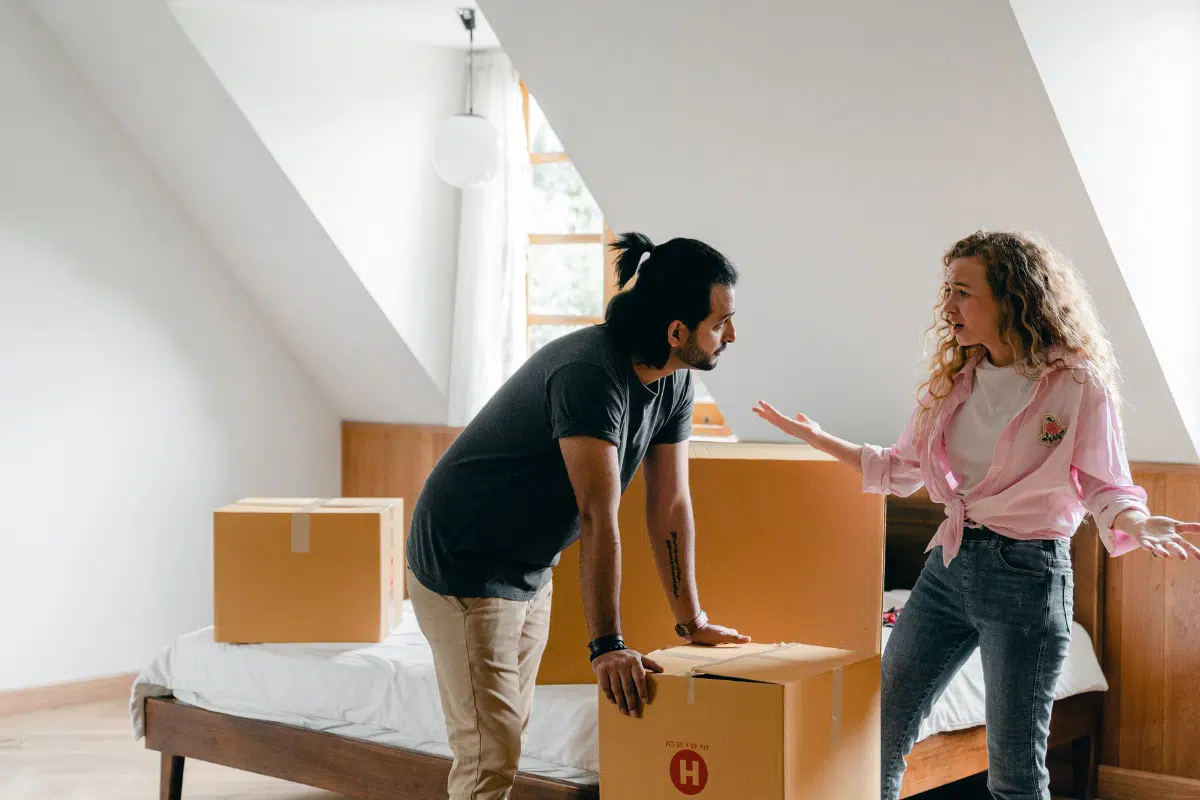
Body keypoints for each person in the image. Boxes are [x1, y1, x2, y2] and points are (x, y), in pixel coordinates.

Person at [754, 230, 1200, 800]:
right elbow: (901, 468)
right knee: (880, 734)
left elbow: (1102, 481)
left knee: (1015, 776)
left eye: (962, 292)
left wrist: (1135, 520)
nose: (947, 307)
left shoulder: (1074, 381)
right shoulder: (952, 382)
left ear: (1012, 297)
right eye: (947, 291)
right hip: (949, 565)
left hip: (1028, 577)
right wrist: (820, 440)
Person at [406, 231, 751, 800]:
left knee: (507, 733)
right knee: (490, 753)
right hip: (464, 560)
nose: (731, 335)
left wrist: (691, 621)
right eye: (721, 323)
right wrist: (607, 644)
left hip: (529, 562)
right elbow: (598, 515)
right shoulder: (590, 374)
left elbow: (669, 505)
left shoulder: (674, 381)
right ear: (676, 332)